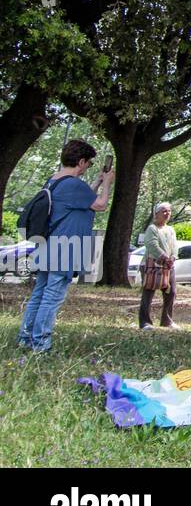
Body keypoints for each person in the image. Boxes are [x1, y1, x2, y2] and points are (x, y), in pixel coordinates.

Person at [18, 140, 113, 353]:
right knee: (51, 298)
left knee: (39, 294)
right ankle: (41, 344)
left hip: (48, 247)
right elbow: (100, 205)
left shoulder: (53, 181)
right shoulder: (74, 184)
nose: (87, 168)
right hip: (66, 250)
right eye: (88, 164)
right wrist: (107, 183)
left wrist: (96, 183)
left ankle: (25, 338)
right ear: (81, 161)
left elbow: (78, 201)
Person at [139, 202, 177, 330]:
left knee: (171, 292)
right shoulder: (152, 228)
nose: (167, 214)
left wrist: (173, 257)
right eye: (164, 211)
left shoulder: (171, 230)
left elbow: (174, 247)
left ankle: (167, 321)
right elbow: (151, 244)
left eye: (169, 211)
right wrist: (164, 258)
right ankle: (145, 322)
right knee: (148, 292)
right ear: (157, 214)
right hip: (151, 266)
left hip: (168, 267)